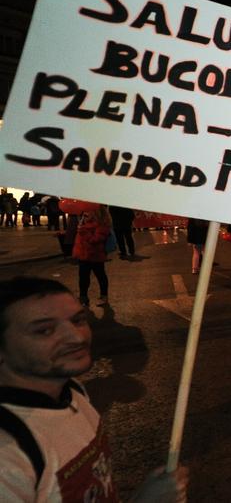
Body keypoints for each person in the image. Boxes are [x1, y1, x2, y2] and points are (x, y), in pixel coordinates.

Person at [0, 277, 189, 502]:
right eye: (45, 330)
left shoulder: (74, 392)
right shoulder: (8, 456)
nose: (77, 337)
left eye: (78, 320)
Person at [72, 206, 112, 307]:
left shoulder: (102, 225)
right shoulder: (85, 223)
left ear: (96, 213)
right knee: (83, 277)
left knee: (100, 276)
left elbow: (96, 240)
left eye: (88, 213)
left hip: (95, 256)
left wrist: (83, 232)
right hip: (83, 255)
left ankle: (104, 296)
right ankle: (83, 297)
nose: (85, 215)